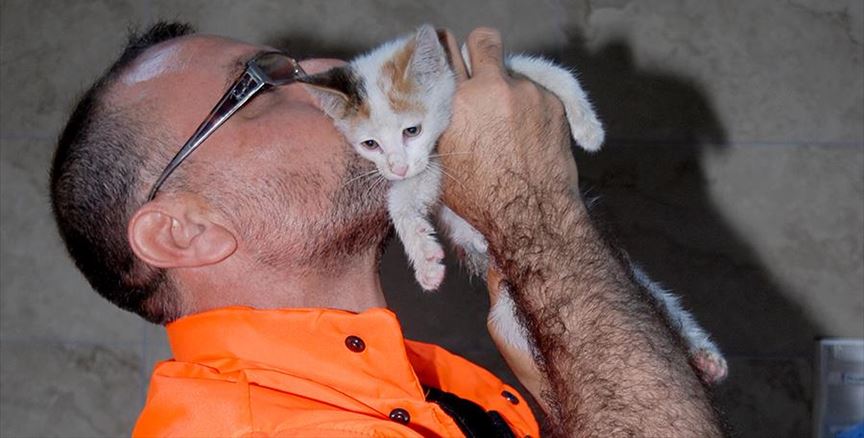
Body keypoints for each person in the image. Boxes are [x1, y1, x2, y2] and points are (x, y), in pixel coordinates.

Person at [50, 22, 722, 437]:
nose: (327, 70)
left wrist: (564, 394)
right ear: (185, 231)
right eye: (258, 85)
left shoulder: (435, 390)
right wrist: (538, 213)